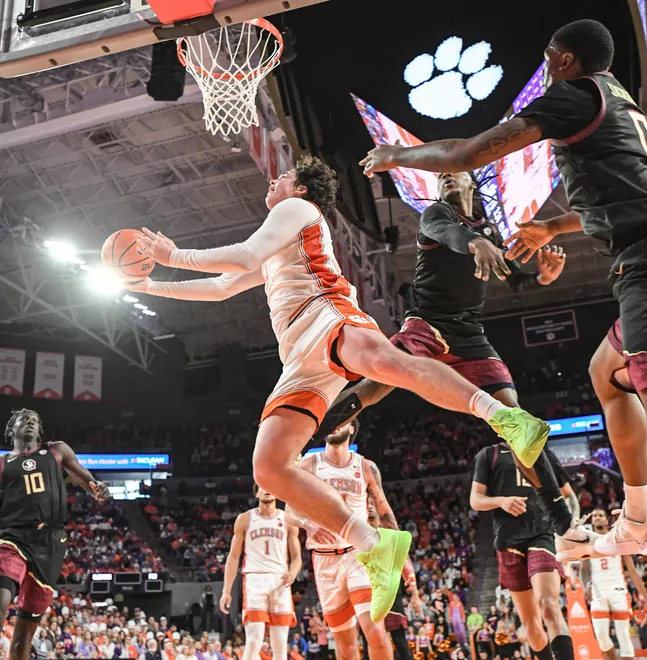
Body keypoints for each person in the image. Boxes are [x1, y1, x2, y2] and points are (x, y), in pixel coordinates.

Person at [131, 155, 551, 620]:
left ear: (303, 190)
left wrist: (174, 256)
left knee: (391, 365)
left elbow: (245, 255)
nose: (276, 179)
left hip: (325, 311)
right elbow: (223, 288)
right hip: (298, 355)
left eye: (285, 176)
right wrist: (152, 286)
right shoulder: (279, 235)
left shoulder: (296, 210)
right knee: (269, 468)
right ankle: (373, 544)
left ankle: (502, 415)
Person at [359, 19, 647, 559]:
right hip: (448, 318)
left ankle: (598, 519)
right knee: (606, 375)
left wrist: (397, 155)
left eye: (548, 56)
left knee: (542, 409)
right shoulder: (619, 102)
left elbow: (464, 154)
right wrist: (551, 231)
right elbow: (625, 199)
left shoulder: (572, 97)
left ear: (563, 61)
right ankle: (635, 518)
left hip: (634, 267)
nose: (546, 65)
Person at [314, 170, 588, 557]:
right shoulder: (436, 215)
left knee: (516, 421)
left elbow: (511, 278)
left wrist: (541, 279)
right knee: (375, 387)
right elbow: (452, 236)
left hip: (469, 334)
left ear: (472, 184)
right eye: (440, 174)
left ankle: (563, 524)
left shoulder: (490, 228)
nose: (444, 176)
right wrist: (475, 242)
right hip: (426, 323)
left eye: (452, 172)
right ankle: (308, 429)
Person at [285, 420, 403, 660]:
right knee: (345, 643)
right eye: (332, 420)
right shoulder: (309, 464)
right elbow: (290, 511)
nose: (335, 424)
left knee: (375, 632)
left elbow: (385, 514)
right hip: (324, 561)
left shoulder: (366, 467)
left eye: (343, 420)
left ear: (352, 429)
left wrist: (403, 561)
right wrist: (308, 523)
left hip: (358, 555)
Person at [0, 409, 109, 660]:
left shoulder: (56, 450)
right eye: (24, 419)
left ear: (40, 431)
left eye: (35, 421)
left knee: (23, 638)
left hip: (50, 542)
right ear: (11, 429)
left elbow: (86, 479)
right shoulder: (4, 464)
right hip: (12, 537)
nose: (29, 422)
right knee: (2, 599)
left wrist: (97, 487)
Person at [471, 443, 574, 660]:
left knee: (549, 604)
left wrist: (570, 528)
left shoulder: (542, 451)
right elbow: (475, 500)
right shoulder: (489, 454)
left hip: (542, 534)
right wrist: (501, 501)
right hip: (508, 541)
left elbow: (569, 495)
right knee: (531, 626)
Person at [219, 484, 301, 660]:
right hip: (254, 579)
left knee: (279, 644)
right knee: (254, 641)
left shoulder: (288, 519)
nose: (267, 489)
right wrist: (226, 590)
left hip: (280, 580)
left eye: (270, 485)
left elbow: (297, 558)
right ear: (256, 493)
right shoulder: (245, 519)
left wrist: (293, 573)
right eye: (262, 487)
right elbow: (233, 557)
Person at [580, 508, 647, 660]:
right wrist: (584, 586)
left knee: (623, 635)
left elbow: (632, 569)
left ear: (606, 520)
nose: (597, 518)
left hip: (618, 590)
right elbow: (584, 569)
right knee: (601, 637)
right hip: (598, 591)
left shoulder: (618, 538)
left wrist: (645, 596)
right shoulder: (588, 542)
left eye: (600, 515)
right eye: (595, 516)